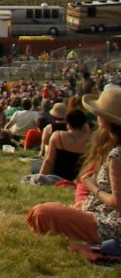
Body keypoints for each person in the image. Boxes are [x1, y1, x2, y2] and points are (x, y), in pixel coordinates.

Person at [28, 87, 121, 245]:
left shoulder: (116, 154)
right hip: (101, 215)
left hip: (110, 227)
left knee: (41, 213)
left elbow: (118, 203)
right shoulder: (109, 147)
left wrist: (92, 186)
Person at [37, 109, 92, 182]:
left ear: (67, 122)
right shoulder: (90, 140)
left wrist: (40, 178)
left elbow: (49, 161)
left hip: (56, 176)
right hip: (76, 177)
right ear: (84, 124)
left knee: (36, 165)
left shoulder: (57, 136)